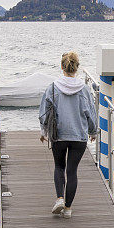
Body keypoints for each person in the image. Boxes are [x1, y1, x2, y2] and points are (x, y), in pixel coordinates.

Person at [38, 51, 97, 218]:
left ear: (62, 67)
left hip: (59, 135)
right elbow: (90, 112)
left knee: (59, 167)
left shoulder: (52, 87)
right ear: (76, 68)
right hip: (78, 136)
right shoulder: (84, 89)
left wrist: (43, 131)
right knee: (72, 171)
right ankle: (68, 209)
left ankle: (59, 198)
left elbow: (44, 111)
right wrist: (93, 131)